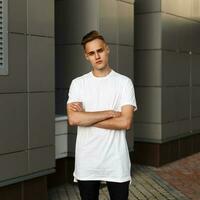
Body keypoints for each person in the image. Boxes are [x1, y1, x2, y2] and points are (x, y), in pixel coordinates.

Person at [66, 30, 137, 200]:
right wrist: (109, 113)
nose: (96, 56)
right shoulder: (78, 84)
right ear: (86, 56)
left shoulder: (124, 83)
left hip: (116, 162)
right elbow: (74, 119)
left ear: (107, 49)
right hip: (87, 162)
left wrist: (87, 118)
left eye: (100, 50)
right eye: (91, 53)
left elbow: (125, 122)